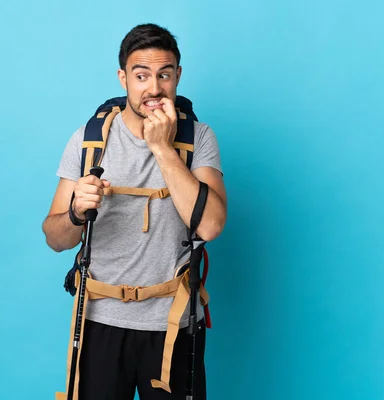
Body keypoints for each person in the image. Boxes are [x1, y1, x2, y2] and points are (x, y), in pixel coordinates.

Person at [42, 23, 227, 400]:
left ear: (177, 76)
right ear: (123, 78)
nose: (154, 88)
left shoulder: (198, 137)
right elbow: (54, 238)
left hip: (174, 323)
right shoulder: (88, 140)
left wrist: (162, 148)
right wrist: (76, 212)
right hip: (100, 321)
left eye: (164, 74)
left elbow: (210, 225)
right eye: (142, 75)